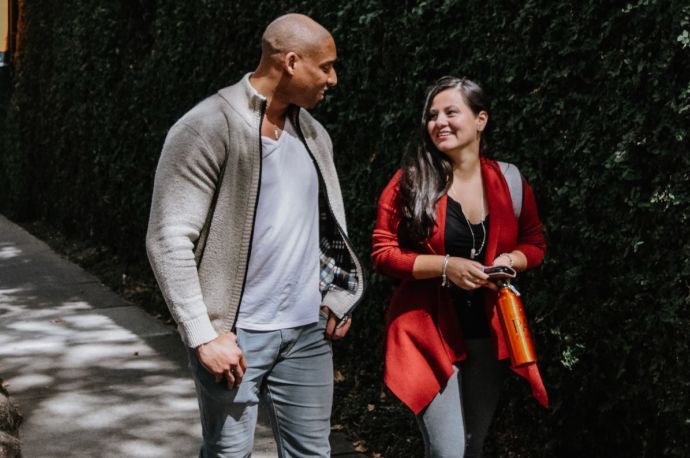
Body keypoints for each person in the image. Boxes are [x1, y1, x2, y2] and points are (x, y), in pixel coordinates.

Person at [146, 14, 365, 457]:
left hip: (306, 333)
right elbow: (168, 237)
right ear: (290, 62)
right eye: (325, 66)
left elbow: (320, 228)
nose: (333, 78)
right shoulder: (207, 126)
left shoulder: (315, 136)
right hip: (235, 336)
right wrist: (203, 335)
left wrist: (337, 295)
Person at [371, 76, 548, 457]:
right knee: (448, 451)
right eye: (432, 115)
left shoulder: (509, 180)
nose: (439, 122)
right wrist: (445, 266)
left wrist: (509, 260)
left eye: (451, 112)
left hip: (487, 331)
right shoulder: (411, 182)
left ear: (481, 119)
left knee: (473, 445)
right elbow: (382, 252)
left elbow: (534, 243)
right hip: (427, 331)